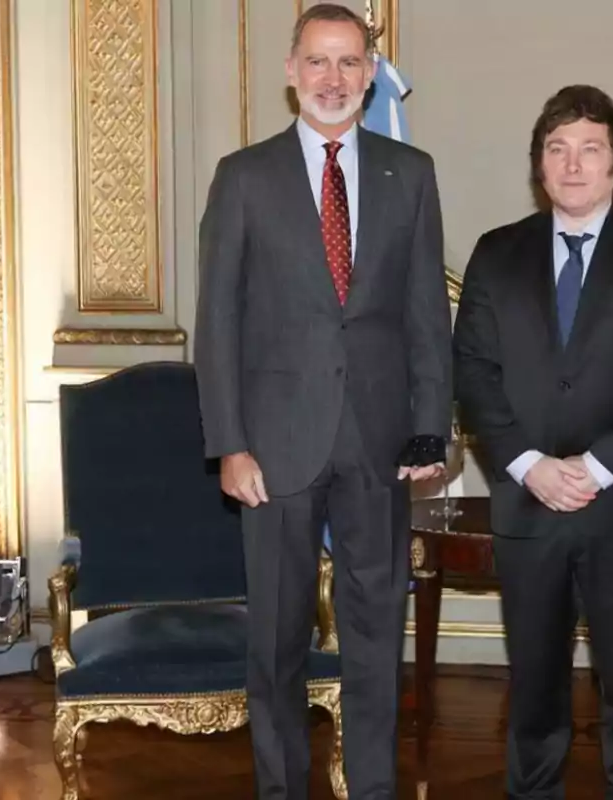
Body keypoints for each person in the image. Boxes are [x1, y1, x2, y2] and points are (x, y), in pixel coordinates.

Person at [193, 4, 452, 798]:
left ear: (371, 74)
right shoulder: (244, 176)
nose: (333, 79)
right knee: (275, 645)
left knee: (378, 642)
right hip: (272, 451)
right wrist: (229, 445)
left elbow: (424, 318)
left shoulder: (410, 174)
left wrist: (430, 431)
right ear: (290, 70)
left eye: (349, 63)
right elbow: (218, 323)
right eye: (318, 62)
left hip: (379, 446)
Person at [452, 84, 613, 799]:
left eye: (589, 149)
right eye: (557, 149)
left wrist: (595, 468)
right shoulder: (496, 253)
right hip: (527, 507)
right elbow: (471, 370)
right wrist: (530, 465)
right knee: (532, 694)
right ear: (539, 164)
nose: (572, 165)